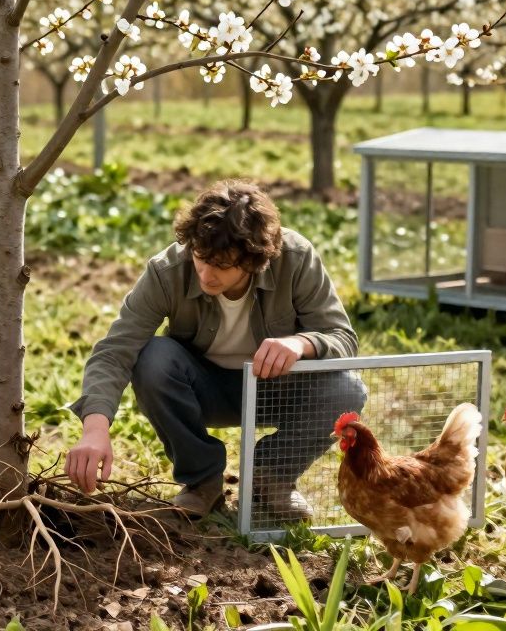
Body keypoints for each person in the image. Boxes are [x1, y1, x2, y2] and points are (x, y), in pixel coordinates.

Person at [65, 179, 367, 520]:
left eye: (222, 265)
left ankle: (271, 478)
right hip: (200, 388)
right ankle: (202, 481)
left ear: (255, 259)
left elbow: (342, 338)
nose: (206, 275)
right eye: (200, 258)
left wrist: (301, 343)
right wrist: (94, 428)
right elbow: (116, 349)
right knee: (153, 359)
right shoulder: (167, 271)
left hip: (278, 387)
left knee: (347, 388)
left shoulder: (295, 259)